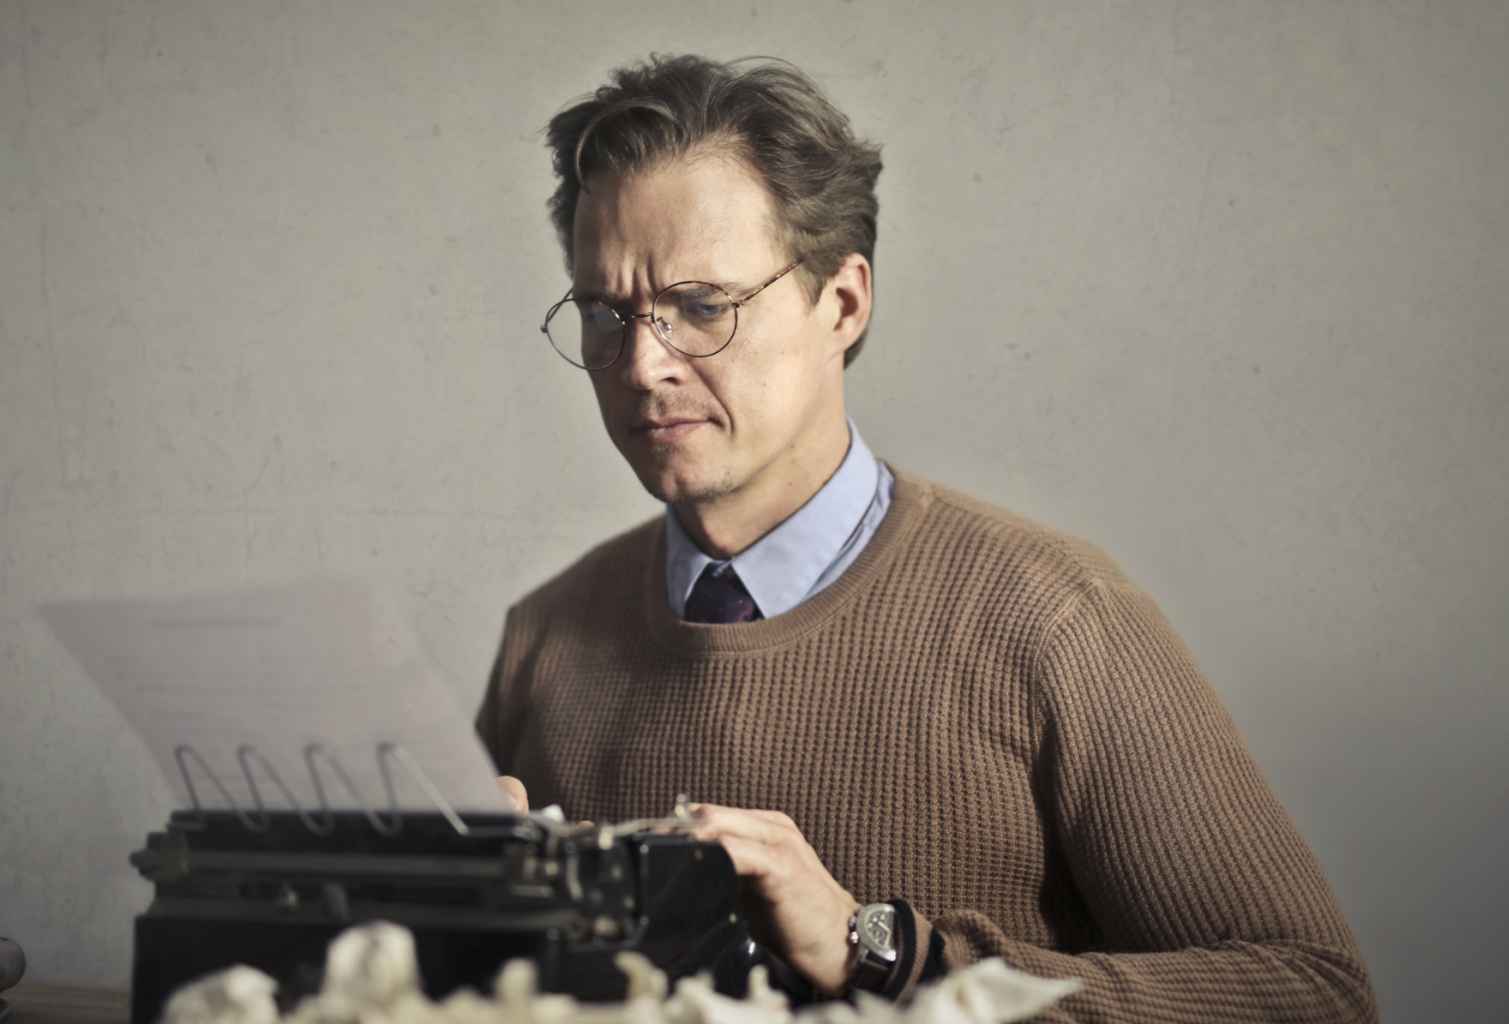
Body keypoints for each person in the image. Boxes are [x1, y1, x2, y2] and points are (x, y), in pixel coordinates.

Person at [477, 55, 1377, 1023]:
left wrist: (889, 953)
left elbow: (1314, 994)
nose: (644, 362)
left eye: (703, 306)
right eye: (607, 313)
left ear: (843, 302)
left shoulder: (1056, 616)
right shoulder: (546, 637)